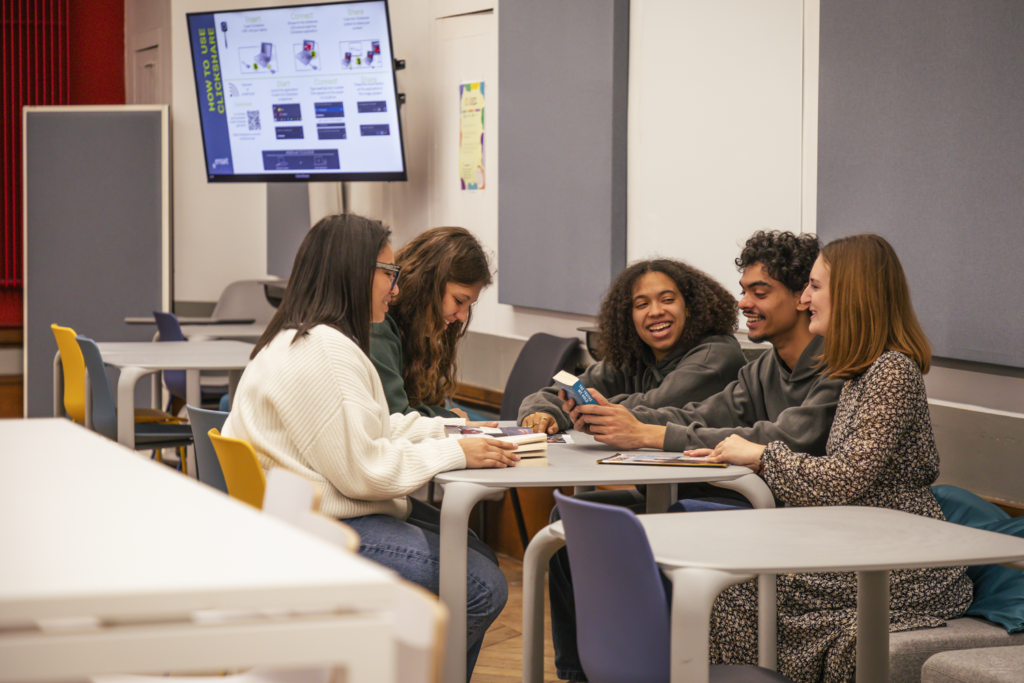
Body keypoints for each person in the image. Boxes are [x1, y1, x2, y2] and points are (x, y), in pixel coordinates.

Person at [221, 214, 517, 680]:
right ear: (354, 273)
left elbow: (377, 429)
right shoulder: (326, 351)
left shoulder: (306, 337)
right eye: (389, 274)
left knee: (475, 555)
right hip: (320, 528)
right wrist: (457, 453)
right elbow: (366, 471)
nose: (395, 289)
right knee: (481, 585)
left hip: (305, 516)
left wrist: (446, 433)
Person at [549, 231, 845, 682]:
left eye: (758, 292)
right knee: (572, 523)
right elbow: (703, 415)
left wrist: (644, 433)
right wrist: (632, 426)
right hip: (747, 505)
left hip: (798, 522)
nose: (744, 303)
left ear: (804, 296)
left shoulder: (839, 365)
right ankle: (582, 675)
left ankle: (664, 669)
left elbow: (780, 437)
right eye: (744, 290)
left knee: (676, 517)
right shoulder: (762, 367)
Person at [698, 233, 971, 683]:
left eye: (815, 287)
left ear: (852, 293)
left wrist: (763, 456)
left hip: (904, 564)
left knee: (731, 585)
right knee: (728, 577)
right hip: (861, 543)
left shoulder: (892, 371)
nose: (805, 300)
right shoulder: (860, 373)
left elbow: (844, 480)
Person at [517, 258, 746, 435]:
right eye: (642, 304)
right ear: (630, 317)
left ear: (689, 307)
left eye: (667, 300)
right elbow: (560, 392)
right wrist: (542, 414)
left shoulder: (716, 355)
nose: (655, 311)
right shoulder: (636, 357)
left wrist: (580, 407)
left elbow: (653, 407)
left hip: (710, 489)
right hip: (659, 484)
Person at [370, 226, 492, 418]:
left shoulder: (419, 332)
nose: (462, 317)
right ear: (427, 283)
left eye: (469, 305)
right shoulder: (378, 327)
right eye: (459, 301)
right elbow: (397, 419)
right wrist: (450, 420)